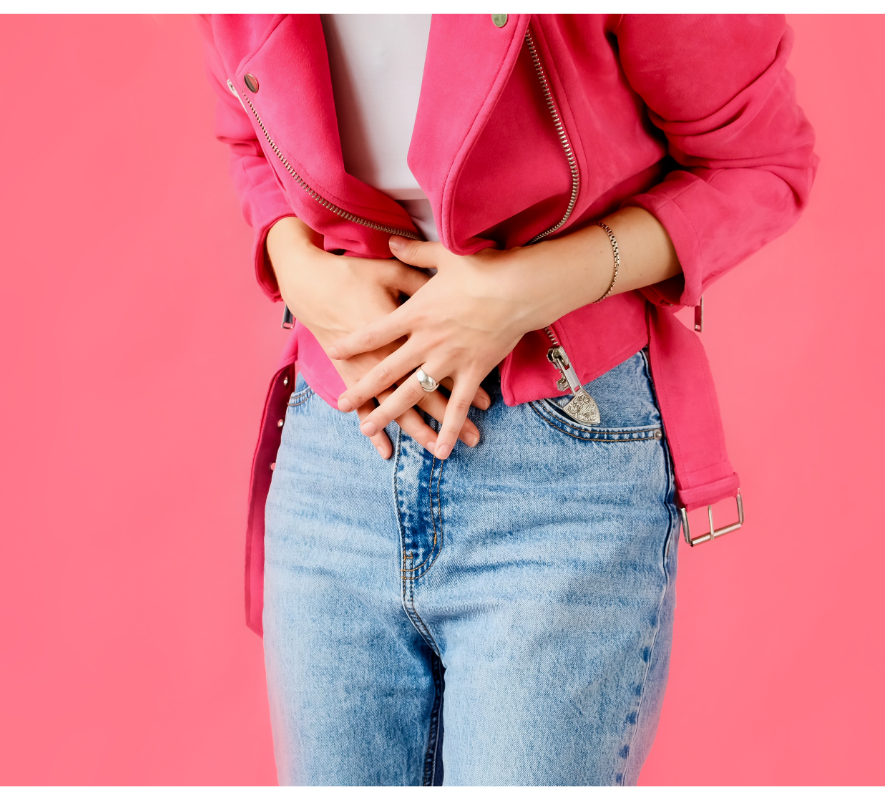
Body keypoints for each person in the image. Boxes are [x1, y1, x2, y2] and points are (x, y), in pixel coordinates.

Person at [196, 14, 816, 786]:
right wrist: (294, 261)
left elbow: (762, 165)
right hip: (337, 451)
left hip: (558, 467)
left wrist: (528, 289)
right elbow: (248, 126)